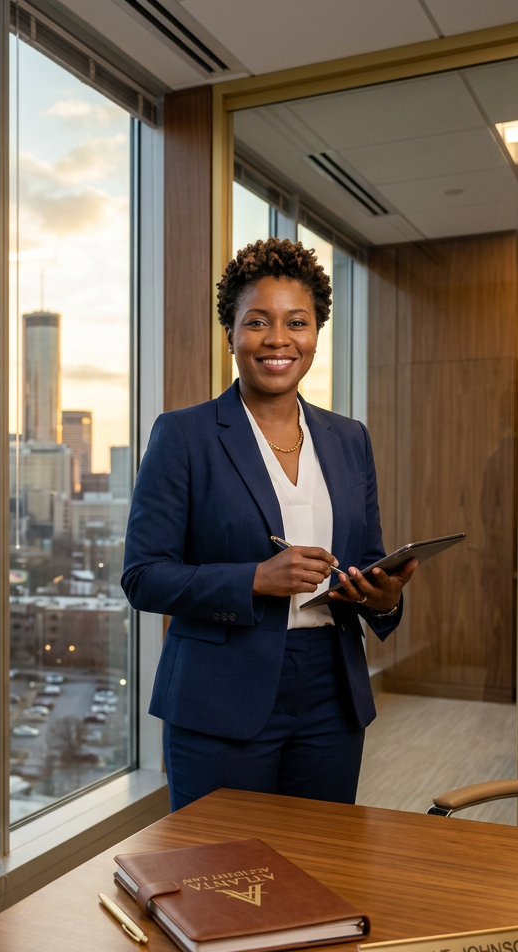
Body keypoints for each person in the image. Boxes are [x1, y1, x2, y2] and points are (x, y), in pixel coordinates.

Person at [121, 238, 416, 812]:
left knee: (319, 865)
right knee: (224, 874)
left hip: (332, 690)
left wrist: (382, 598)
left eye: (296, 322)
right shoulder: (184, 436)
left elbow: (370, 557)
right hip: (220, 692)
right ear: (230, 333)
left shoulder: (350, 439)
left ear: (315, 334)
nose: (278, 339)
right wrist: (254, 578)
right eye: (257, 322)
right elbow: (143, 576)